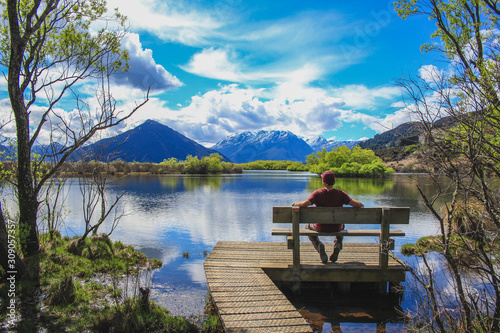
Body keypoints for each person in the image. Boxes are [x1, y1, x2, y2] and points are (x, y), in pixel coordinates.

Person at [292, 170, 364, 264]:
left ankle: (318, 245)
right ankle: (338, 244)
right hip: (337, 227)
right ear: (334, 181)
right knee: (342, 224)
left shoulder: (317, 194)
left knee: (307, 227)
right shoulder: (341, 194)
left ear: (324, 182)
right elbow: (357, 205)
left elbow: (304, 204)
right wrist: (361, 203)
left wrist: (294, 204)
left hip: (320, 227)